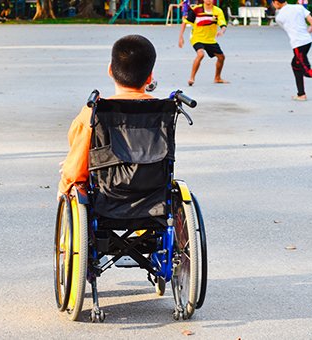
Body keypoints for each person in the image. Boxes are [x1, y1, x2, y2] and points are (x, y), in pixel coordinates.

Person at [58, 35, 157, 198]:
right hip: (153, 194)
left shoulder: (93, 113)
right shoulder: (160, 111)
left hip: (106, 195)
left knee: (74, 167)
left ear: (110, 70)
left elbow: (76, 170)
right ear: (149, 77)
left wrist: (65, 184)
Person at [177, 0, 228, 86]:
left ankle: (217, 78)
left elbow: (223, 24)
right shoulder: (196, 9)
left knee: (221, 57)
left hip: (210, 39)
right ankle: (191, 78)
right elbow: (185, 22)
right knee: (200, 54)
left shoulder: (218, 11)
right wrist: (181, 37)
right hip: (197, 37)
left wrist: (222, 31)